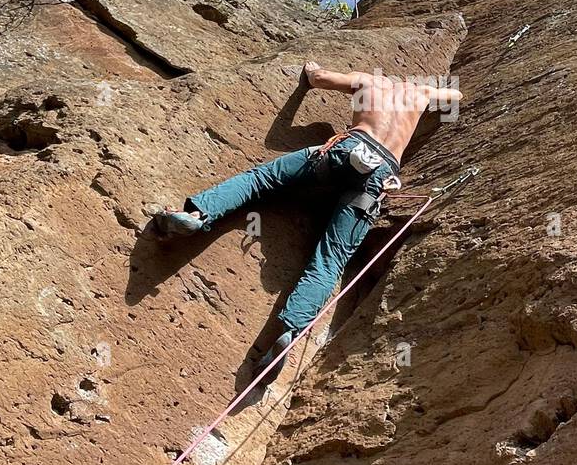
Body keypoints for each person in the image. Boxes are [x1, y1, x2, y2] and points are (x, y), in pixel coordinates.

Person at [154, 61, 463, 382]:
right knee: (331, 259)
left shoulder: (368, 82)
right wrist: (429, 95)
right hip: (380, 175)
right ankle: (289, 332)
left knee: (260, 180)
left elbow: (317, 78)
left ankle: (196, 215)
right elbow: (455, 95)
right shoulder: (421, 93)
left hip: (347, 148)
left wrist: (311, 67)